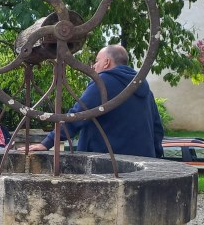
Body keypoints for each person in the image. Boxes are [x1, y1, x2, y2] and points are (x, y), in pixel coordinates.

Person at [29, 44, 165, 158]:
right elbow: (157, 128)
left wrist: (47, 142)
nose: (94, 66)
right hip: (142, 162)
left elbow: (78, 115)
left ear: (107, 62)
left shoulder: (103, 82)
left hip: (108, 164)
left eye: (97, 61)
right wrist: (155, 156)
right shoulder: (142, 87)